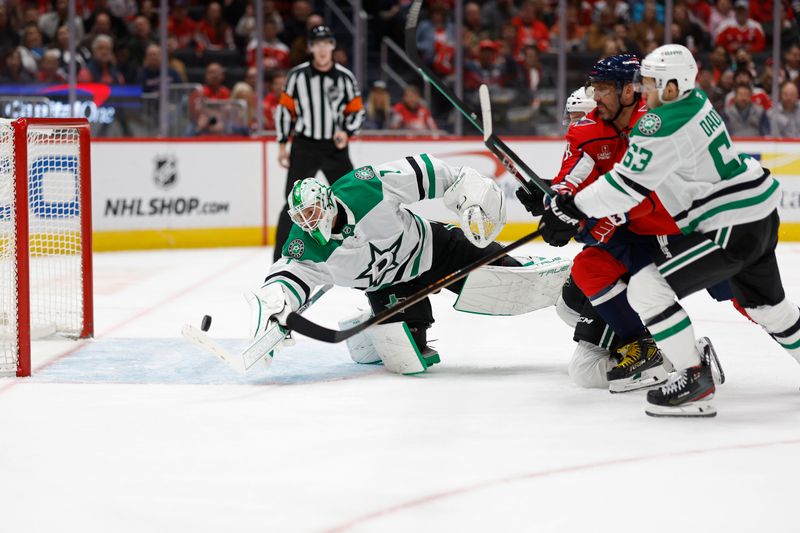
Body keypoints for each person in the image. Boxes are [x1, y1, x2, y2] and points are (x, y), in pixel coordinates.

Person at [539, 44, 795, 417]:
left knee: (647, 288)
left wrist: (573, 207)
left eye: (650, 83)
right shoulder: (698, 103)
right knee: (771, 309)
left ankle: (694, 379)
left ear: (673, 86)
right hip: (758, 212)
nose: (644, 91)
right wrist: (565, 200)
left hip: (727, 225)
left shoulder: (660, 122)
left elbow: (624, 187)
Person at [248, 155, 560, 375]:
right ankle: (372, 324)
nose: (308, 222)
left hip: (433, 250)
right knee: (406, 359)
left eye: (312, 213)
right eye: (301, 218)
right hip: (391, 286)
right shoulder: (304, 245)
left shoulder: (363, 187)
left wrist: (469, 195)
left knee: (512, 281)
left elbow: (435, 174)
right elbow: (285, 277)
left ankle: (524, 263)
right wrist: (276, 310)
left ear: (328, 201)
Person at [518, 55, 675, 392]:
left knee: (750, 294)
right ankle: (649, 348)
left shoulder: (652, 125)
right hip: (624, 242)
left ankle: (676, 357)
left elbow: (643, 195)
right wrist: (551, 201)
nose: (576, 121)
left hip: (667, 235)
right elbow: (570, 184)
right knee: (576, 289)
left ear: (627, 91)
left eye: (602, 91)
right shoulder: (590, 132)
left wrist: (585, 219)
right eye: (595, 89)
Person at [273, 25, 364, 262]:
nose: (322, 49)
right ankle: (281, 260)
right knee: (292, 203)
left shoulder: (345, 77)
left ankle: (360, 251)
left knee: (351, 197)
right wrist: (282, 144)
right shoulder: (297, 76)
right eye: (318, 44)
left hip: (335, 147)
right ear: (311, 48)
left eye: (327, 43)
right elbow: (285, 110)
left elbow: (357, 111)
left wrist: (347, 131)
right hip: (305, 146)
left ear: (333, 46)